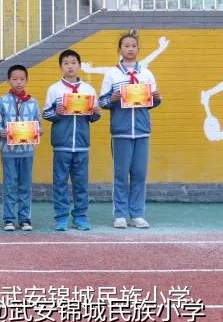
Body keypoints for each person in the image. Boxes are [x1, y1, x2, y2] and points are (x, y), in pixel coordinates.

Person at [99, 32, 162, 229]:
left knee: (139, 174)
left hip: (142, 131)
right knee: (121, 174)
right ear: (119, 50)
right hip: (121, 131)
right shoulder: (112, 74)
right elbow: (102, 102)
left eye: (133, 45)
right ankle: (120, 213)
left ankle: (137, 214)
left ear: (138, 49)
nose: (130, 48)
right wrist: (113, 99)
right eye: (126, 45)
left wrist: (157, 98)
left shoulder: (147, 74)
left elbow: (151, 102)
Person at [43, 49, 101, 231]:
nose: (70, 66)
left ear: (79, 65)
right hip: (62, 145)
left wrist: (95, 113)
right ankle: (61, 217)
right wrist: (56, 113)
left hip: (82, 145)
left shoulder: (88, 89)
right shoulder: (54, 89)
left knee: (81, 183)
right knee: (60, 182)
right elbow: (46, 113)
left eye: (73, 62)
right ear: (61, 67)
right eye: (66, 63)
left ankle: (80, 217)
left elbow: (93, 117)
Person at [0, 65, 40, 232]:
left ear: (27, 80)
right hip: (8, 152)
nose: (18, 82)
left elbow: (38, 124)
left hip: (27, 151)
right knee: (10, 185)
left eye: (22, 79)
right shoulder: (1, 102)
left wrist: (38, 131)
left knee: (25, 185)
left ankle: (25, 218)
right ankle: (9, 219)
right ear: (8, 80)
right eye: (14, 79)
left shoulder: (33, 102)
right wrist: (1, 131)